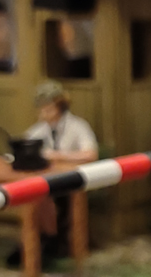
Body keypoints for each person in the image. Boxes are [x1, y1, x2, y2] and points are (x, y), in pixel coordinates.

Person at [8, 81, 98, 266]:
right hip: (47, 179)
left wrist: (59, 155)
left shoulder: (77, 126)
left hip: (72, 179)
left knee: (49, 197)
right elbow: (25, 145)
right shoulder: (39, 130)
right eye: (41, 109)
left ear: (60, 107)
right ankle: (35, 241)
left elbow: (90, 154)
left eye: (48, 108)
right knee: (34, 195)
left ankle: (53, 240)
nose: (44, 113)